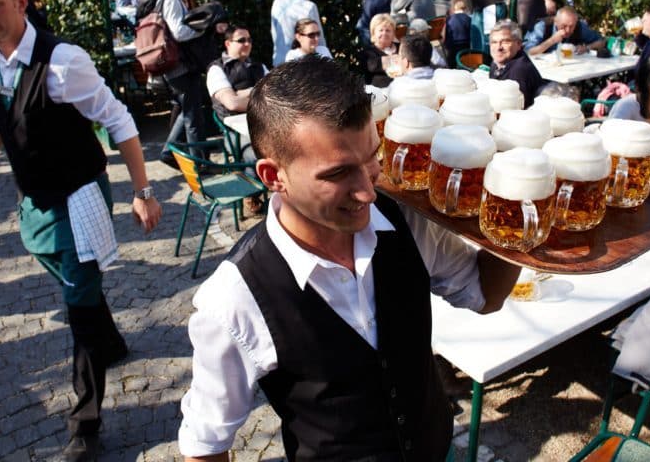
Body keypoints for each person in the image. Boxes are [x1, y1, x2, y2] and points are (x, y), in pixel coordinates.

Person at [177, 55, 519, 461]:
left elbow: (485, 294)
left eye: (371, 158)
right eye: (338, 174)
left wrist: (519, 219)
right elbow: (206, 444)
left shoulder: (404, 220)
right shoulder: (234, 298)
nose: (368, 192)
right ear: (273, 177)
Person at [0, 0, 162, 461]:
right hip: (37, 200)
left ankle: (85, 422)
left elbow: (116, 117)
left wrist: (143, 189)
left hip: (79, 194)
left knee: (78, 302)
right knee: (65, 273)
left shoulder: (64, 61)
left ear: (22, 2)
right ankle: (108, 337)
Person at [155, 0, 209, 168]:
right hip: (179, 66)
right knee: (192, 116)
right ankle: (199, 163)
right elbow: (178, 32)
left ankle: (169, 151)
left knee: (188, 110)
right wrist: (201, 29)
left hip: (176, 67)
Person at [270, 0, 328, 67]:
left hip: (279, 60)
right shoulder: (308, 6)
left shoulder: (277, 2)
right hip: (302, 64)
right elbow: (318, 38)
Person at [207, 24, 268, 119]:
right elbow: (232, 103)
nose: (247, 44)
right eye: (241, 40)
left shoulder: (259, 66)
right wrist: (262, 97)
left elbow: (277, 94)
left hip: (266, 121)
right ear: (228, 44)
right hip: (237, 125)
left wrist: (246, 92)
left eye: (249, 40)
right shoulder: (216, 69)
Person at [488, 19, 543, 108]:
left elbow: (518, 111)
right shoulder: (497, 62)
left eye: (505, 41)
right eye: (494, 42)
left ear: (518, 44)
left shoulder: (519, 70)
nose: (499, 47)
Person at [524, 6, 605, 56]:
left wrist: (587, 48)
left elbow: (601, 41)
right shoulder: (543, 26)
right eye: (564, 26)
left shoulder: (579, 27)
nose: (567, 30)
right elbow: (528, 51)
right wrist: (551, 40)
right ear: (556, 21)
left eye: (571, 26)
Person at [358, 13, 399, 88]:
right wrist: (397, 60)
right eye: (381, 30)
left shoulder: (402, 48)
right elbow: (372, 66)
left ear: (393, 33)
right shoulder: (367, 53)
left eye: (388, 30)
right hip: (379, 94)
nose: (384, 33)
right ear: (373, 33)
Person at [443, 0, 471, 69]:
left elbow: (446, 34)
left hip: (453, 46)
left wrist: (446, 44)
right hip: (466, 46)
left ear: (453, 8)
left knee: (451, 64)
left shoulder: (449, 19)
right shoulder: (469, 19)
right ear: (465, 8)